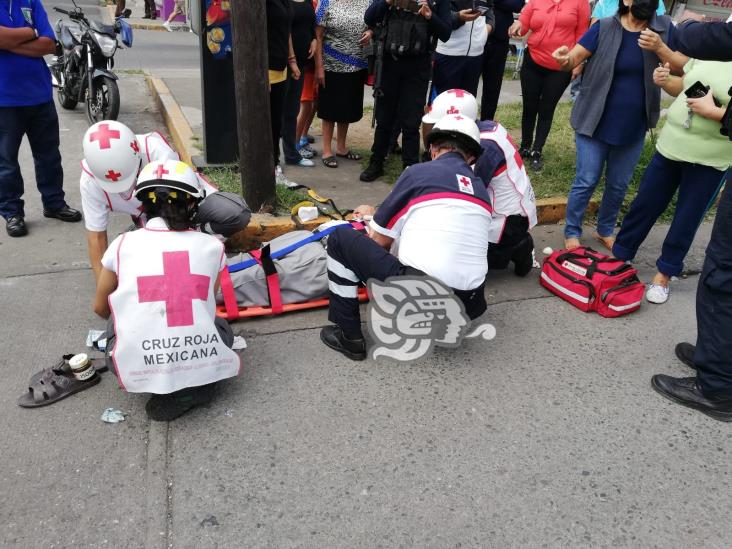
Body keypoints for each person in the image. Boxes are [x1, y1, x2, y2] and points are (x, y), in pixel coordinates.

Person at [321, 114, 493, 360]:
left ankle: (348, 337)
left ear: (433, 148)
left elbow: (379, 241)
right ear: (471, 158)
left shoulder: (418, 174)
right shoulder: (481, 192)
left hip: (422, 300)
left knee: (339, 239)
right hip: (470, 307)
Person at [93, 160, 241, 422]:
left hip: (134, 364)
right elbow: (206, 303)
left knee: (116, 323)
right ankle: (195, 383)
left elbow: (100, 307)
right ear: (193, 204)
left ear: (143, 204)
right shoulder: (212, 246)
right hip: (199, 352)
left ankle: (156, 375)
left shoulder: (122, 243)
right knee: (221, 327)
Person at [650, 15, 732, 421]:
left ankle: (716, 386)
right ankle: (717, 356)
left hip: (714, 155)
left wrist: (684, 26)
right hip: (681, 145)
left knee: (723, 275)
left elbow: (704, 37)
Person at [552, 0, 675, 251]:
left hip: (633, 124)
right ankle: (572, 230)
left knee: (619, 183)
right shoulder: (605, 27)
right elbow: (574, 57)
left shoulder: (662, 30)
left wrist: (661, 48)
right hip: (594, 121)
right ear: (626, 1)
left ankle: (605, 229)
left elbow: (682, 63)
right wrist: (564, 60)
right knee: (586, 179)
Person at [612, 57, 731, 304]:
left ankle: (665, 273)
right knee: (644, 205)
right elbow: (682, 85)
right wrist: (666, 81)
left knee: (687, 218)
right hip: (671, 146)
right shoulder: (709, 49)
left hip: (711, 160)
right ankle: (621, 254)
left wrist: (716, 112)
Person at [80, 121, 251, 283]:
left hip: (185, 205)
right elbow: (96, 238)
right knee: (124, 259)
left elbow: (178, 207)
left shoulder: (156, 152)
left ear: (137, 155)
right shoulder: (90, 181)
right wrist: (105, 292)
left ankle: (198, 239)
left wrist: (186, 243)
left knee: (236, 213)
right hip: (151, 219)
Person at [422, 89, 537, 275]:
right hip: (506, 210)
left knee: (459, 257)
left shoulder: (483, 148)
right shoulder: (482, 129)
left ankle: (518, 247)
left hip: (508, 221)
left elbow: (463, 194)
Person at [0, 0, 82, 237]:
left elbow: (48, 44)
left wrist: (9, 42)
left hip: (39, 95)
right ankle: (12, 212)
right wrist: (30, 32)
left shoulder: (31, 2)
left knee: (49, 156)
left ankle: (54, 203)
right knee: (6, 163)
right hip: (4, 100)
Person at [360, 0, 452, 182]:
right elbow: (369, 17)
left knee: (411, 120)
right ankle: (377, 161)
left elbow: (445, 33)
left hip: (418, 67)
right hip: (389, 65)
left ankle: (409, 167)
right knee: (384, 118)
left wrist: (429, 15)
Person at [508, 0, 590, 171]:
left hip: (561, 66)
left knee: (546, 108)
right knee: (529, 107)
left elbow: (582, 34)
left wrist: (579, 63)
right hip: (533, 61)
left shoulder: (581, 3)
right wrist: (517, 27)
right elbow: (524, 21)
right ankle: (524, 146)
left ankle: (537, 150)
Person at [314, 0, 371, 168]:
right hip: (331, 64)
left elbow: (374, 22)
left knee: (347, 107)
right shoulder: (326, 2)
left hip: (356, 64)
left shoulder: (367, 1)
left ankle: (341, 147)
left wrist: (370, 32)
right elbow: (317, 35)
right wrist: (319, 67)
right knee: (330, 109)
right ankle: (326, 150)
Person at [267, 0, 301, 184]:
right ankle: (268, 171)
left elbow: (286, 30)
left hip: (281, 68)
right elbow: (255, 34)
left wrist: (292, 60)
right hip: (266, 69)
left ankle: (274, 167)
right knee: (266, 125)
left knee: (276, 123)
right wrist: (260, 72)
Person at [431, 2, 495, 97]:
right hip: (449, 54)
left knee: (466, 105)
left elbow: (489, 8)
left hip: (475, 55)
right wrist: (458, 17)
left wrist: (488, 28)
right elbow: (436, 14)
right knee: (442, 104)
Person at [282, 0, 317, 167]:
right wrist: (291, 60)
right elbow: (284, 29)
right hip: (284, 63)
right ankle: (272, 158)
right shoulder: (283, 2)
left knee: (292, 110)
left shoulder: (308, 1)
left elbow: (311, 24)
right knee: (279, 111)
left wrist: (314, 39)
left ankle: (291, 154)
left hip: (302, 63)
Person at [480, 0, 526, 121]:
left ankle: (487, 123)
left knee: (493, 87)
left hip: (499, 40)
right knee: (469, 85)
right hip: (475, 38)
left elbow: (517, 5)